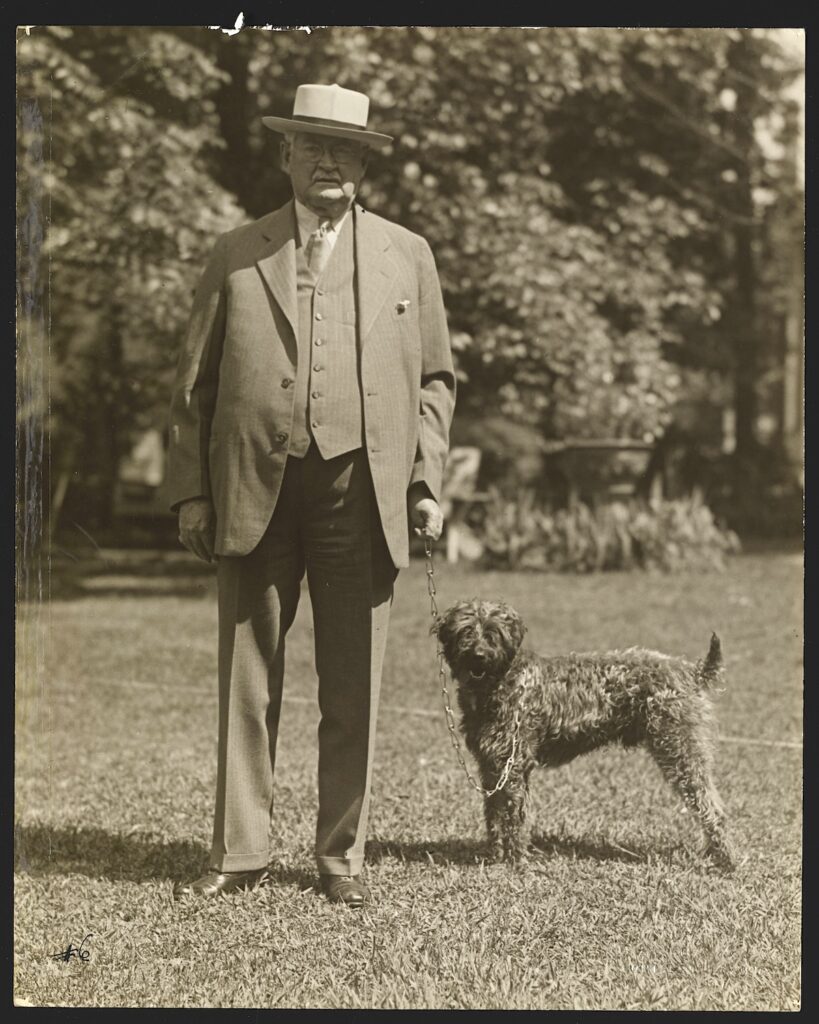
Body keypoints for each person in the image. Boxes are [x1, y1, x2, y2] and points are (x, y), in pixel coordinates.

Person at [168, 83, 455, 907]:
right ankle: (239, 853)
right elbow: (193, 385)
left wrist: (424, 480)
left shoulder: (409, 254)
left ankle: (341, 858)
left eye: (347, 150)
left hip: (359, 490)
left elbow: (435, 381)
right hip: (249, 485)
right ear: (286, 156)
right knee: (245, 678)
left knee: (352, 678)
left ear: (365, 161)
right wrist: (192, 492)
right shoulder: (234, 251)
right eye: (312, 146)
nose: (330, 161)